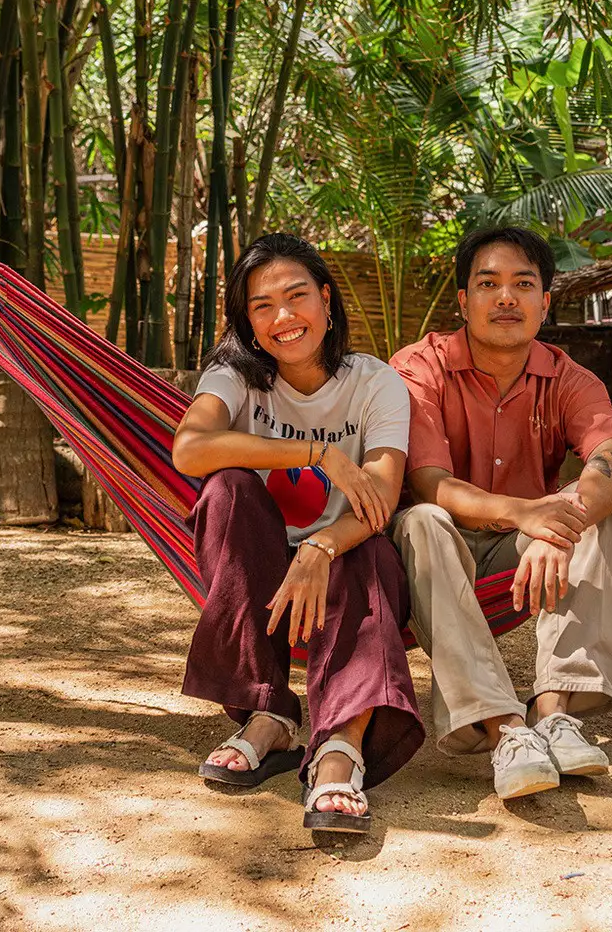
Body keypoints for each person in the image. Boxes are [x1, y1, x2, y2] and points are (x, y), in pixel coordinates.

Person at [171, 234, 425, 836]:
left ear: (327, 301)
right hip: (255, 559)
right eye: (262, 306)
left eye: (296, 296)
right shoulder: (234, 377)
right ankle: (271, 714)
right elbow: (190, 449)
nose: (283, 317)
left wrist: (319, 545)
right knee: (227, 487)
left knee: (372, 555)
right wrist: (318, 453)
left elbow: (382, 498)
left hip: (345, 550)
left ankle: (341, 741)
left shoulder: (375, 382)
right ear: (247, 322)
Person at [389, 225, 612, 800]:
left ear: (545, 302)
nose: (507, 298)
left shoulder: (568, 377)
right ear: (463, 300)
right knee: (424, 519)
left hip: (521, 555)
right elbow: (428, 483)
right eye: (489, 284)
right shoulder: (418, 367)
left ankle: (554, 710)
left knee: (599, 506)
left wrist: (561, 521)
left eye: (523, 284)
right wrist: (526, 512)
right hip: (429, 553)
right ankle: (502, 726)